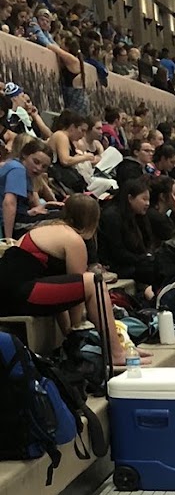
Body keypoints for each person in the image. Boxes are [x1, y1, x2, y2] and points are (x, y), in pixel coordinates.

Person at [0, 192, 126, 365]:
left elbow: (58, 288)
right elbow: (76, 295)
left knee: (87, 282)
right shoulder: (73, 239)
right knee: (94, 283)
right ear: (93, 221)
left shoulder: (45, 229)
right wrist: (76, 330)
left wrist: (67, 332)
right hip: (19, 292)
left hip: (10, 294)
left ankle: (118, 349)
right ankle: (116, 352)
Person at [0, 138, 51, 239]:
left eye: (44, 166)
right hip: (9, 226)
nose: (39, 168)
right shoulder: (17, 169)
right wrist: (8, 240)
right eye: (36, 162)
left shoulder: (24, 172)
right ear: (25, 155)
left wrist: (30, 212)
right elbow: (9, 203)